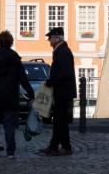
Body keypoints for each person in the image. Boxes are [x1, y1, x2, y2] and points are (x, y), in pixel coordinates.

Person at [0, 30, 34, 160]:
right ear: (11, 42)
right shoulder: (14, 57)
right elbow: (22, 78)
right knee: (9, 125)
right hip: (10, 96)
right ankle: (10, 152)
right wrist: (30, 92)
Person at [39, 27, 76, 156]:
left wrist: (50, 82)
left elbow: (65, 73)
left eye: (50, 38)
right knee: (60, 121)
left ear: (57, 38)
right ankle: (55, 146)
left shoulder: (63, 52)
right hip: (62, 91)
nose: (49, 41)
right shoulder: (60, 51)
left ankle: (64, 147)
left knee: (61, 121)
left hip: (63, 92)